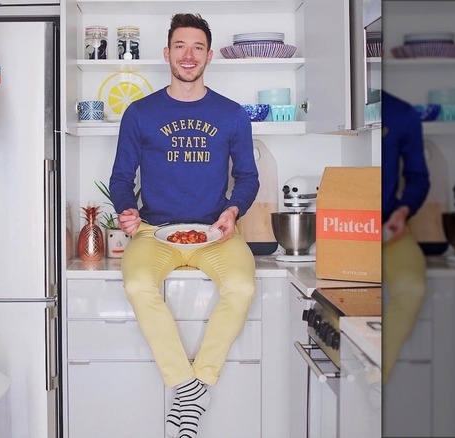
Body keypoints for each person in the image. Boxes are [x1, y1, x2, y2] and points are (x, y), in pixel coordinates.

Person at [108, 13, 259, 438]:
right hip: (154, 232)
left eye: (196, 47)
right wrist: (126, 209)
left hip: (216, 232)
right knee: (138, 285)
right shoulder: (140, 113)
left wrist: (233, 212)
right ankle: (186, 385)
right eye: (180, 46)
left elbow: (248, 177)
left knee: (244, 287)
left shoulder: (231, 115)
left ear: (209, 55)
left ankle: (199, 383)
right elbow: (122, 178)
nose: (188, 56)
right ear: (167, 53)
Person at [381, 90, 431, 384]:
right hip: (349, 229)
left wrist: (403, 211)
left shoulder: (402, 113)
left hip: (390, 227)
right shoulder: (342, 104)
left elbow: (418, 176)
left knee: (412, 288)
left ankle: (378, 373)